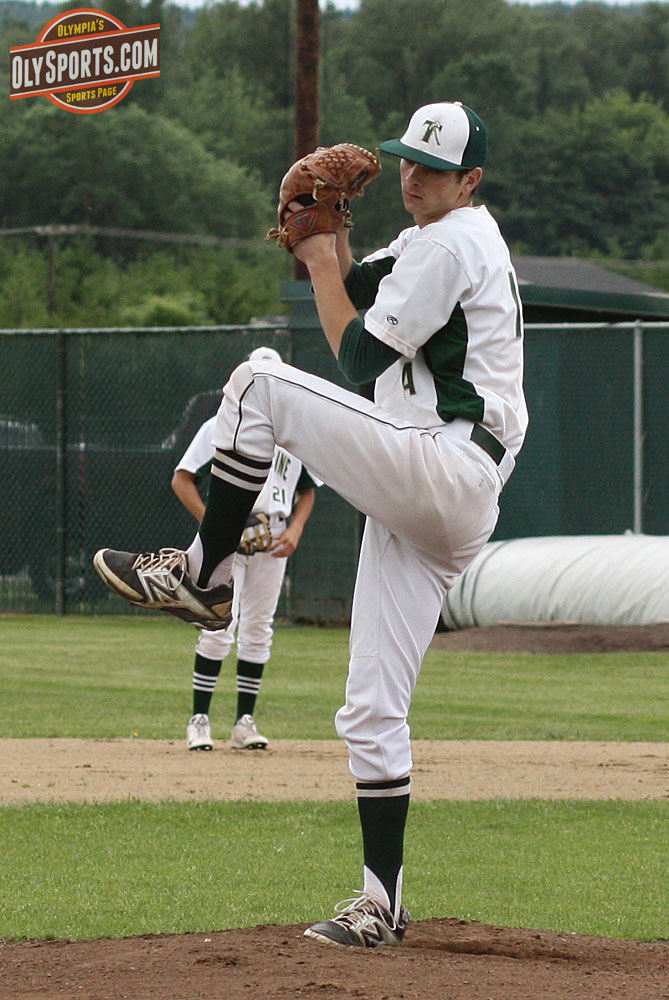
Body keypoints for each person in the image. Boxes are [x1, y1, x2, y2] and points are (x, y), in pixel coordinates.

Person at [94, 102, 528, 949]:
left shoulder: (452, 242)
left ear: (469, 181)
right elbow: (353, 287)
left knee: (257, 382)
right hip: (433, 491)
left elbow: (357, 353)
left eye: (434, 169)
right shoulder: (432, 240)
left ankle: (202, 577)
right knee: (370, 710)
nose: (413, 177)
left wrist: (322, 255)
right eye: (407, 161)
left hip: (443, 464)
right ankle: (381, 904)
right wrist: (323, 241)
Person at [172, 346, 317, 752]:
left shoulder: (293, 435)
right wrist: (218, 526)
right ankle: (199, 720)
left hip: (273, 540)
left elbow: (307, 490)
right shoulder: (221, 425)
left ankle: (244, 723)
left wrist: (296, 529)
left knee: (258, 629)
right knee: (217, 625)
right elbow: (182, 479)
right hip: (230, 541)